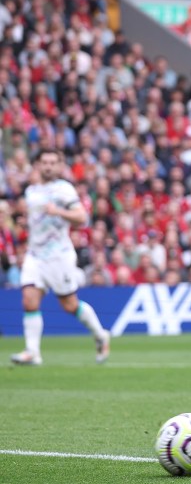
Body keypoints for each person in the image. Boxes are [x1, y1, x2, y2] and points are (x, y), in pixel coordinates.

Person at [11, 148, 111, 366]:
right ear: (37, 165)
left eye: (52, 162)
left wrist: (58, 212)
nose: (48, 166)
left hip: (59, 256)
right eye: (44, 162)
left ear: (58, 166)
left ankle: (100, 335)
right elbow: (37, 221)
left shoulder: (63, 190)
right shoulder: (32, 191)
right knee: (29, 299)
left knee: (69, 304)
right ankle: (32, 352)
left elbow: (82, 217)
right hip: (35, 255)